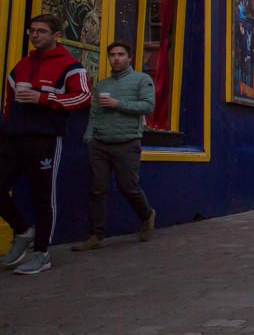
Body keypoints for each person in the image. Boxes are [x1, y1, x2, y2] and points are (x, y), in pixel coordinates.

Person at [0, 14, 92, 275]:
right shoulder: (21, 66)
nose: (35, 35)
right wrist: (7, 126)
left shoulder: (71, 66)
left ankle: (42, 253)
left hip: (45, 138)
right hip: (13, 137)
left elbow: (83, 98)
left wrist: (44, 98)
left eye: (41, 31)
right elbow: (9, 100)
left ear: (56, 36)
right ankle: (21, 230)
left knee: (43, 196)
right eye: (32, 31)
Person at [73, 40, 156, 251]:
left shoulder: (142, 80)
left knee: (128, 187)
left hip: (127, 142)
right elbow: (94, 114)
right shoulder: (101, 85)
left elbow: (148, 106)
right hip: (99, 143)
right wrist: (89, 137)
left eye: (120, 54)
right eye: (112, 55)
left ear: (129, 58)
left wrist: (118, 104)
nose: (116, 58)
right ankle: (96, 235)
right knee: (97, 189)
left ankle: (146, 215)